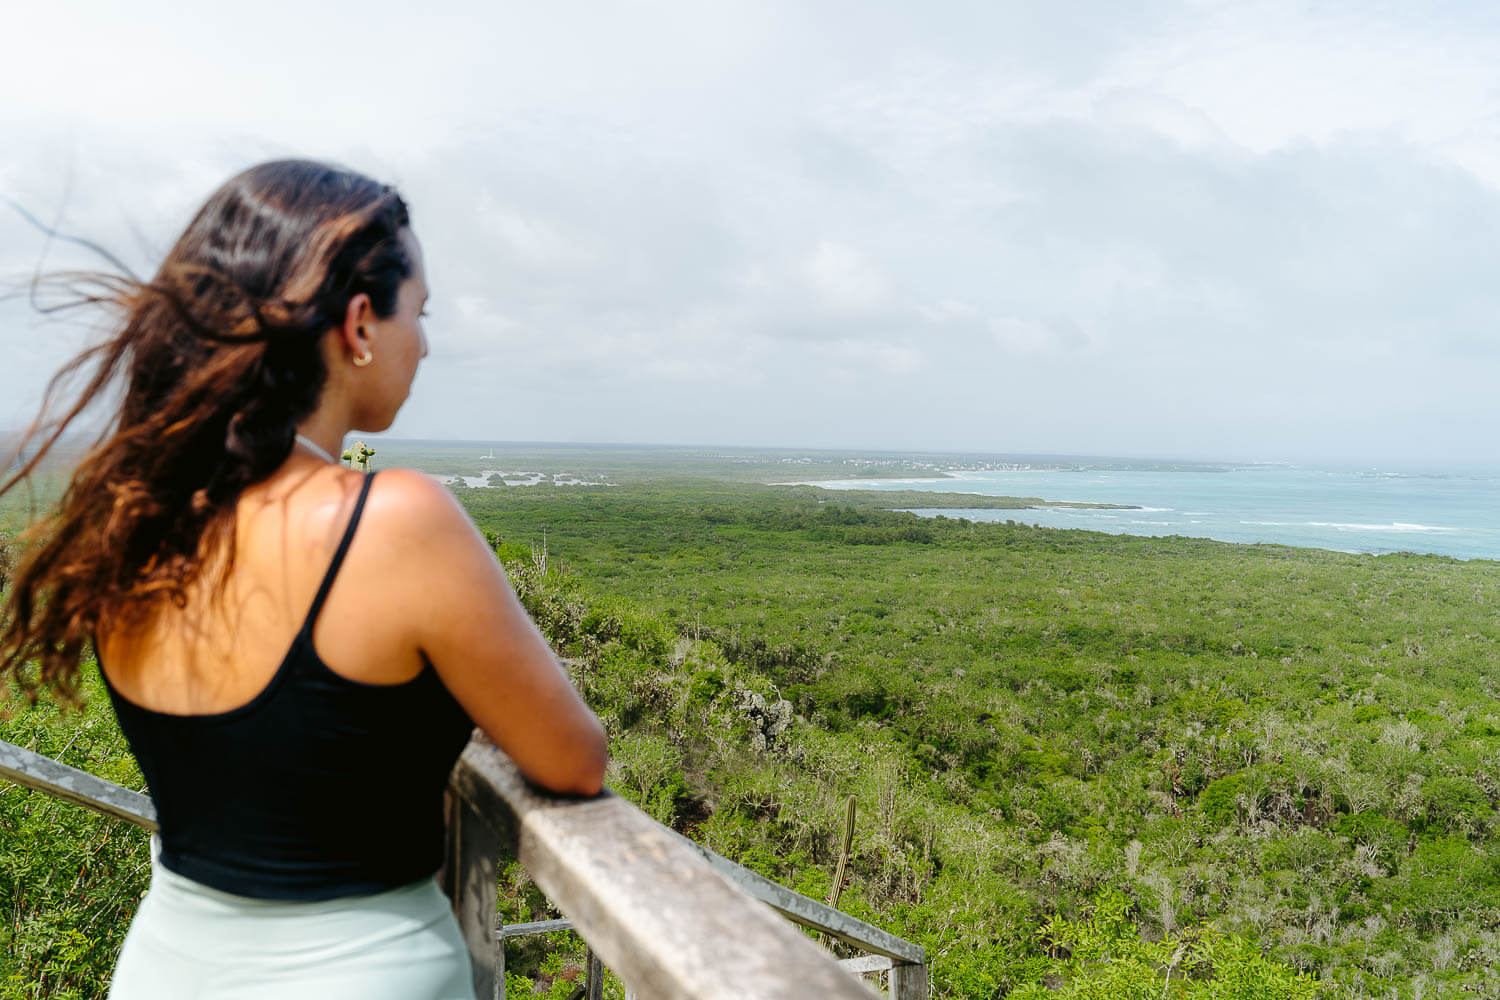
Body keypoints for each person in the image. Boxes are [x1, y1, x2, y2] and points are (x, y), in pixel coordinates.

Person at [0, 160, 608, 999]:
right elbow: (573, 759)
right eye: (418, 314)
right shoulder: (394, 521)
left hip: (166, 969)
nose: (424, 344)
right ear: (359, 323)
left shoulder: (134, 519)